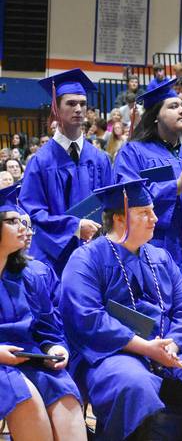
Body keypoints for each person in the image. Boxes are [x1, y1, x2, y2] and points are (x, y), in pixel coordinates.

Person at [59, 178, 182, 441]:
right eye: (144, 213)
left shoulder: (160, 257)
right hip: (109, 354)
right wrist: (144, 347)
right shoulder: (87, 259)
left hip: (164, 351)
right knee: (137, 387)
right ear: (119, 218)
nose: (155, 218)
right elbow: (88, 318)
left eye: (152, 211)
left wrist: (171, 345)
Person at [0, 185, 87, 441]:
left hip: (29, 357)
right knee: (25, 399)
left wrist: (55, 349)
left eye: (23, 221)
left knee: (64, 392)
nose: (23, 228)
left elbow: (47, 328)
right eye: (12, 221)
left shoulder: (29, 275)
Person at [112, 79, 182, 276]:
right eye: (174, 106)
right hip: (154, 253)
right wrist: (176, 187)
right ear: (156, 117)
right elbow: (125, 200)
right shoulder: (133, 153)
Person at [20, 69, 113, 275]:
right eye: (71, 103)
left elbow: (110, 205)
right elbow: (33, 212)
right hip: (53, 258)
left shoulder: (99, 159)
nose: (78, 109)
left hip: (95, 256)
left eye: (82, 103)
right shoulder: (40, 161)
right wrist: (74, 227)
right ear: (56, 108)